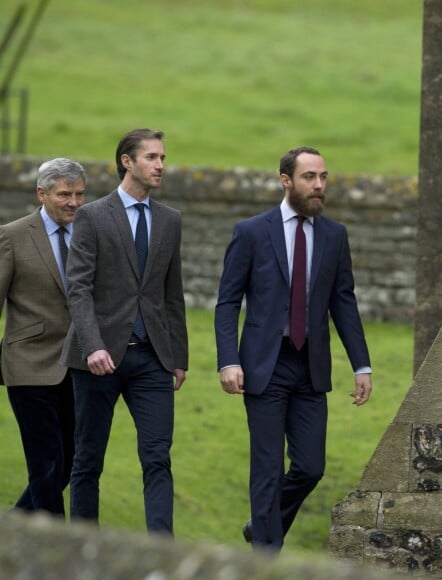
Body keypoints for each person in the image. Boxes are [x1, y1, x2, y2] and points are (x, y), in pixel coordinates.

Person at [214, 146, 372, 551]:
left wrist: (362, 365)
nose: (318, 185)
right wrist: (228, 359)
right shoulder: (251, 232)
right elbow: (228, 301)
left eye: (323, 177)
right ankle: (266, 556)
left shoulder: (334, 235)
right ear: (286, 180)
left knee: (309, 467)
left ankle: (261, 525)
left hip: (311, 367)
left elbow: (344, 302)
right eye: (309, 177)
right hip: (264, 366)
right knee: (266, 468)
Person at [61, 128, 188, 535]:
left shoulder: (170, 220)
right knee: (87, 459)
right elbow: (77, 287)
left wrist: (179, 358)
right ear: (127, 161)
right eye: (152, 157)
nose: (161, 165)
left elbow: (173, 294)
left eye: (163, 158)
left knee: (157, 457)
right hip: (98, 358)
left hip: (152, 359)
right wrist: (93, 345)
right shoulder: (92, 215)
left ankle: (161, 553)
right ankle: (84, 547)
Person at [0, 158, 86, 515]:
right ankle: (56, 558)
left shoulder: (89, 232)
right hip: (28, 364)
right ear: (42, 193)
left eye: (80, 194)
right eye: (64, 194)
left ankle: (12, 528)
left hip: (78, 364)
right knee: (46, 464)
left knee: (70, 463)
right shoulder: (12, 235)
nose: (73, 202)